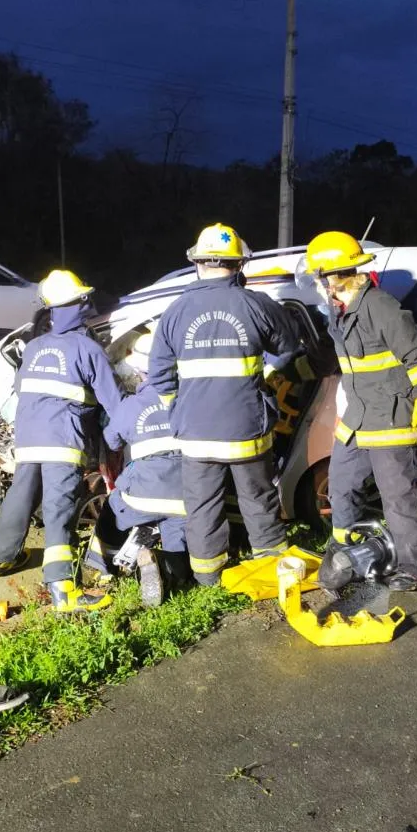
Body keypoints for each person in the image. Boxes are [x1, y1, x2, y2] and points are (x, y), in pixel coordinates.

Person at [148, 222, 300, 586]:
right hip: (246, 428)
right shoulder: (257, 304)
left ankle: (208, 578)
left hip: (197, 434)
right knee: (258, 498)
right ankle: (271, 568)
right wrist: (265, 376)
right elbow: (290, 347)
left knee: (202, 507)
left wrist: (177, 406)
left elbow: (158, 372)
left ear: (198, 263)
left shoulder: (176, 312)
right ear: (239, 265)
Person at [300, 231, 417, 591]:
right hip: (359, 419)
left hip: (392, 419)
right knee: (343, 485)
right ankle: (345, 550)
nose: (316, 284)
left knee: (400, 498)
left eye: (318, 276)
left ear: (335, 275)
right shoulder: (343, 313)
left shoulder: (381, 307)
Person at [0, 269, 121, 612]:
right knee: (60, 510)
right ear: (80, 304)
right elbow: (115, 402)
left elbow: (21, 390)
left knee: (23, 494)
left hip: (30, 436)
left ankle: (1, 559)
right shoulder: (87, 348)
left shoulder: (33, 348)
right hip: (63, 439)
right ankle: (64, 591)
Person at [84, 375, 190, 606]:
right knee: (179, 547)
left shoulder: (131, 405)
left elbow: (112, 441)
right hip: (185, 494)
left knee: (112, 514)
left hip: (141, 495)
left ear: (142, 375)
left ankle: (103, 569)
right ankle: (165, 564)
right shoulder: (189, 398)